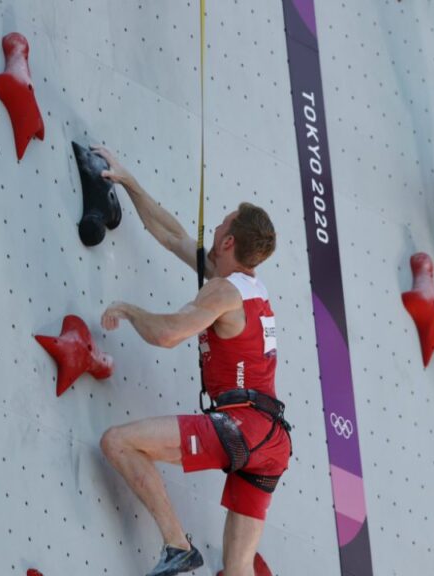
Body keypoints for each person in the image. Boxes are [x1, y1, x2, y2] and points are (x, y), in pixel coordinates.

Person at [94, 147, 290, 576]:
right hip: (271, 442)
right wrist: (128, 182)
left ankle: (177, 545)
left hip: (244, 426)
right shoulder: (244, 285)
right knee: (238, 567)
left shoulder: (223, 293)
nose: (215, 225)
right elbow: (170, 234)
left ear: (229, 241)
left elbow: (167, 334)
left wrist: (129, 310)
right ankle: (181, 549)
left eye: (221, 222)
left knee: (117, 442)